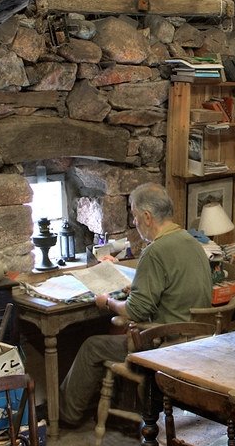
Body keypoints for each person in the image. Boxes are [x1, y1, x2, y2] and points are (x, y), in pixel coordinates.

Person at [58, 182, 212, 427]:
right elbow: (173, 289)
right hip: (198, 339)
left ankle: (65, 418)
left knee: (92, 346)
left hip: (166, 344)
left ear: (148, 217)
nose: (135, 221)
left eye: (135, 215)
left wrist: (107, 301)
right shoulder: (191, 242)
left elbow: (135, 311)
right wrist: (138, 289)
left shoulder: (155, 251)